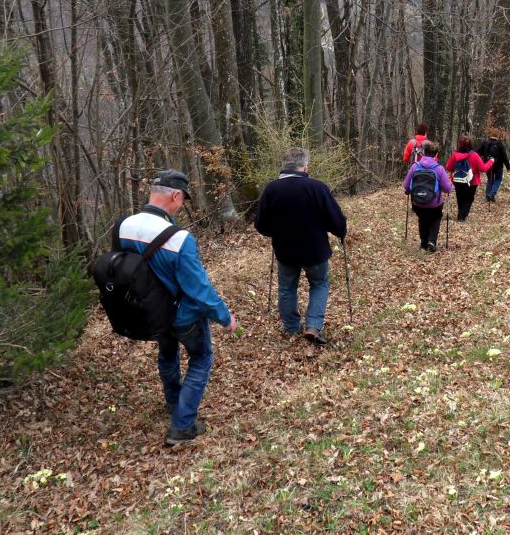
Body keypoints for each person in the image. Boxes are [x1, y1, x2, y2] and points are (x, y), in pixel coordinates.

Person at [118, 169, 239, 446]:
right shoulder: (178, 238)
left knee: (168, 354)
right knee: (201, 358)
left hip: (150, 313)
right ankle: (182, 425)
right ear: (174, 195)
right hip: (183, 316)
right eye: (182, 198)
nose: (182, 204)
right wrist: (225, 317)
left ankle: (173, 402)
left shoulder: (123, 226)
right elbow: (199, 290)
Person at [255, 147, 347, 345]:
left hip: (285, 250)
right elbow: (336, 220)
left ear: (284, 166)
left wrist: (276, 232)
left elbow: (261, 225)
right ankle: (313, 326)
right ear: (304, 166)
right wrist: (341, 231)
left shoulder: (272, 189)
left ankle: (291, 328)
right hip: (315, 250)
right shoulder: (317, 187)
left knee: (287, 288)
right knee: (319, 284)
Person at [402, 140, 453, 252]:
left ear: (423, 152)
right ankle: (432, 241)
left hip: (418, 202)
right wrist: (451, 187)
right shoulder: (439, 168)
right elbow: (447, 188)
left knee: (422, 219)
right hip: (435, 204)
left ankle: (423, 244)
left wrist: (408, 191)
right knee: (436, 218)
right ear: (435, 154)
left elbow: (406, 186)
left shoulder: (415, 166)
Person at [445, 135, 494, 222]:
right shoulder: (474, 155)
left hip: (458, 180)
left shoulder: (455, 155)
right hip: (472, 181)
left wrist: (456, 168)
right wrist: (491, 162)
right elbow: (483, 169)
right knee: (469, 199)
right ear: (471, 144)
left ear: (460, 144)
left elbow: (448, 167)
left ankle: (461, 215)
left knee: (460, 198)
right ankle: (462, 216)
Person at [476, 128, 510, 202]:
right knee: (498, 179)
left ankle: (487, 197)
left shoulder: (485, 143)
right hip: (498, 165)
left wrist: (480, 162)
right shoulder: (500, 144)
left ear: (490, 135)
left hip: (488, 165)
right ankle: (493, 193)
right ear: (497, 135)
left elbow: (477, 153)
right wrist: (508, 166)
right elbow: (504, 157)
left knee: (490, 179)